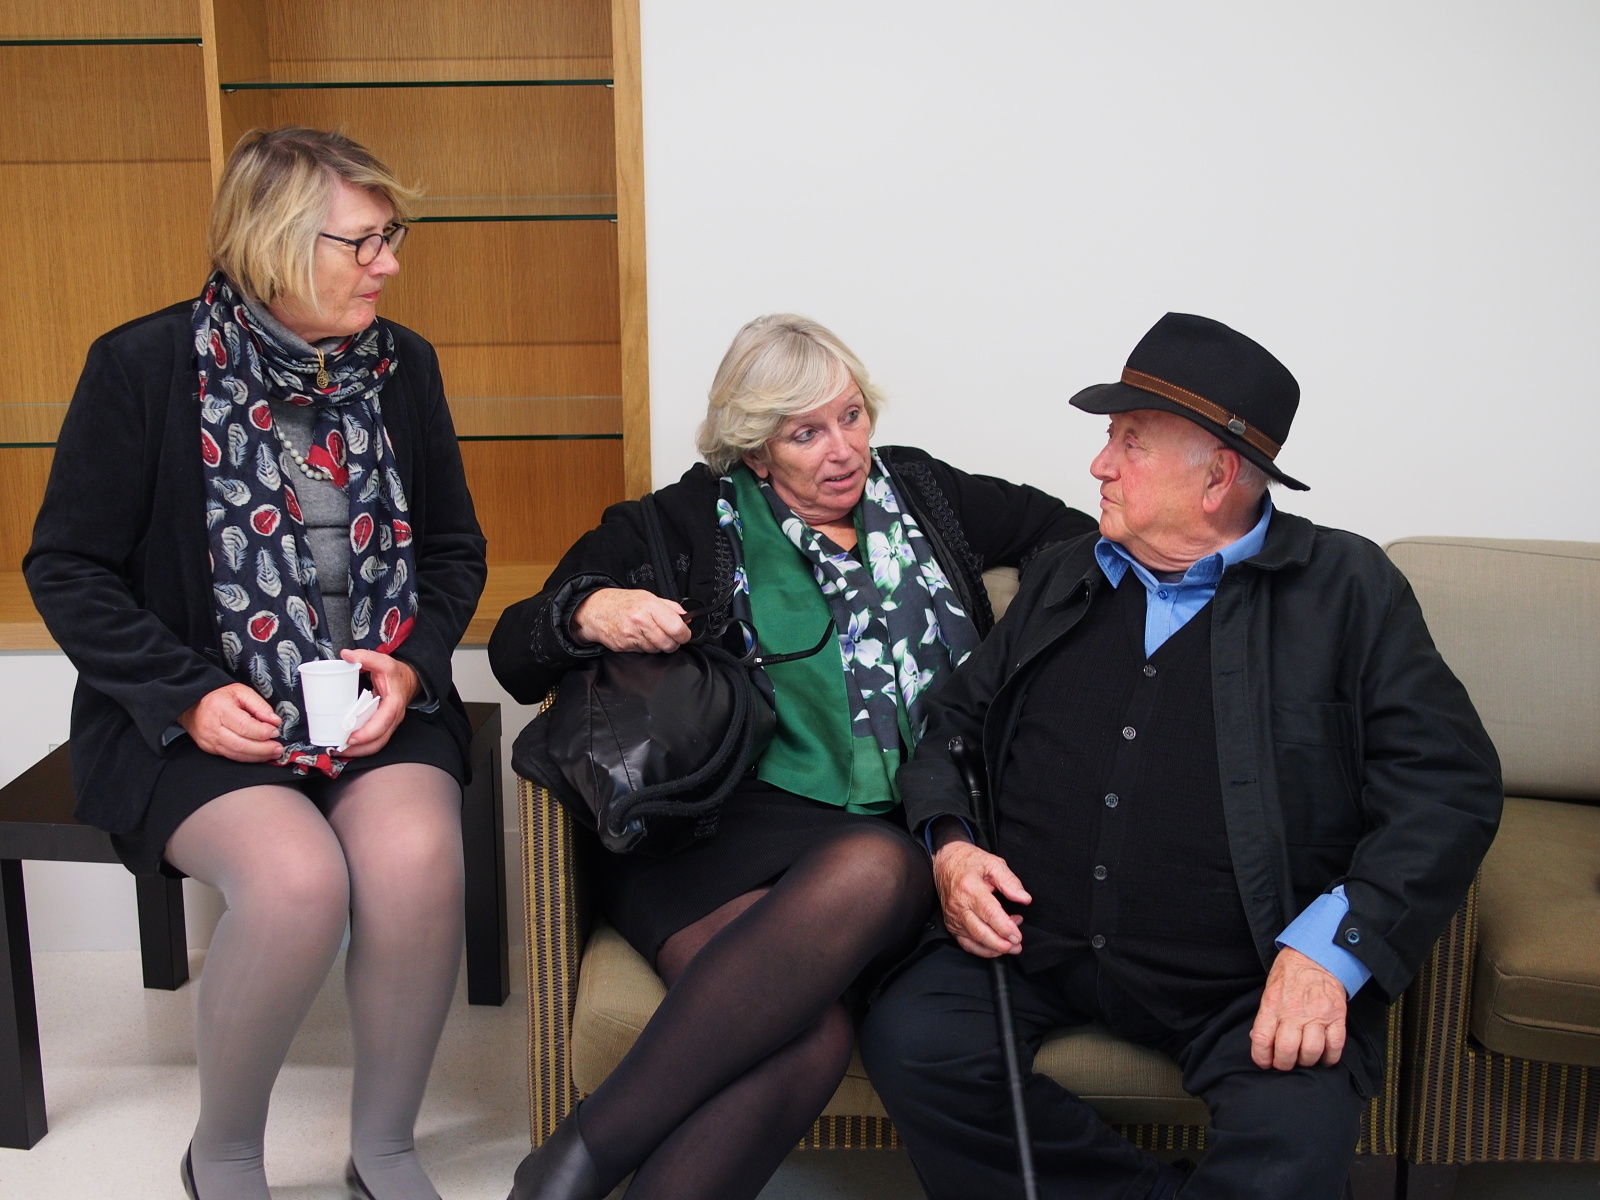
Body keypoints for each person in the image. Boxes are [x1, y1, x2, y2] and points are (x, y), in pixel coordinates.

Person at [858, 313, 1504, 1200]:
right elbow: (953, 725)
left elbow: (1448, 788)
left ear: (1217, 476)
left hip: (1246, 972)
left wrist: (1331, 951)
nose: (1099, 465)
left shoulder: (1349, 592)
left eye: (1129, 441)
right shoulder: (1067, 574)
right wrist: (953, 847)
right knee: (913, 1042)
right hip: (1029, 944)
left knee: (1292, 1149)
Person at [490, 313, 1096, 1200]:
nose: (842, 449)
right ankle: (575, 1163)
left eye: (851, 416)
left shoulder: (925, 492)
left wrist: (1028, 662)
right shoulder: (680, 524)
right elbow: (514, 650)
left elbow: (1072, 538)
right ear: (754, 448)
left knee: (830, 988)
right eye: (805, 433)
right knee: (838, 967)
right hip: (720, 830)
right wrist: (589, 610)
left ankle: (566, 1167)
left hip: (890, 828)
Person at [24, 127, 487, 1200]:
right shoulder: (142, 366)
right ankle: (224, 1154)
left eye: (392, 237)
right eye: (363, 241)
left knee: (419, 864)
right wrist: (187, 696)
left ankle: (386, 1148)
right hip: (197, 716)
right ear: (277, 243)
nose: (388, 263)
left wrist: (412, 667)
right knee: (295, 885)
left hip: (368, 703)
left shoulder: (404, 367)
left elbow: (454, 550)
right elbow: (69, 568)